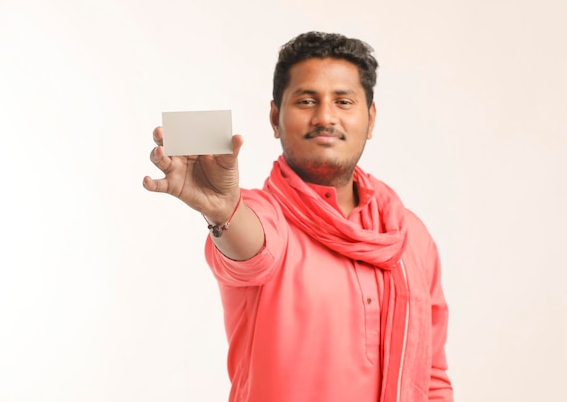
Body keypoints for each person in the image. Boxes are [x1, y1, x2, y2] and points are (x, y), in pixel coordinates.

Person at [143, 31, 453, 402]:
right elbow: (251, 249)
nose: (325, 117)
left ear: (370, 120)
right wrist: (223, 210)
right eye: (306, 101)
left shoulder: (408, 234)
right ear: (275, 117)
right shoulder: (263, 217)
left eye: (343, 101)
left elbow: (432, 378)